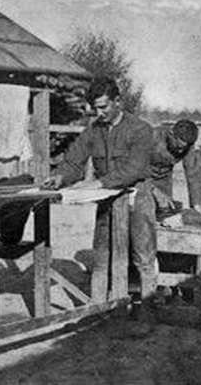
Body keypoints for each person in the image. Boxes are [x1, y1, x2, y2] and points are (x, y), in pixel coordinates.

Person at [41, 78, 155, 307]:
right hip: (106, 202)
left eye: (104, 107)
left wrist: (97, 184)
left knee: (142, 258)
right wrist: (60, 177)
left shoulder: (141, 129)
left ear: (118, 102)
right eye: (96, 108)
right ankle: (98, 308)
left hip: (136, 199)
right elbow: (75, 160)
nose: (99, 113)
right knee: (101, 257)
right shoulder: (93, 130)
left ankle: (147, 312)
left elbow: (133, 169)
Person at [148, 119, 201, 217]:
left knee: (166, 212)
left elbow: (194, 175)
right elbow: (134, 169)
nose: (180, 151)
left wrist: (196, 206)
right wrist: (153, 190)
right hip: (142, 178)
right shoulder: (151, 137)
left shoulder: (188, 145)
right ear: (171, 134)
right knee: (144, 212)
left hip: (164, 180)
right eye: (178, 147)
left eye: (184, 148)